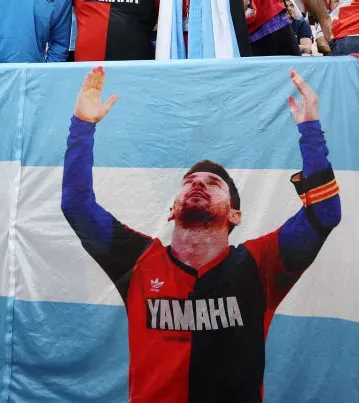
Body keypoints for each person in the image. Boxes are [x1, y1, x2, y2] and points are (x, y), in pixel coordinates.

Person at [62, 66, 340, 403]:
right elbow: (76, 206)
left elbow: (324, 214)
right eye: (190, 182)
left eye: (213, 183)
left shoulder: (260, 263)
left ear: (235, 214)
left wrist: (310, 129)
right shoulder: (137, 260)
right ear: (172, 209)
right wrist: (82, 125)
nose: (198, 184)